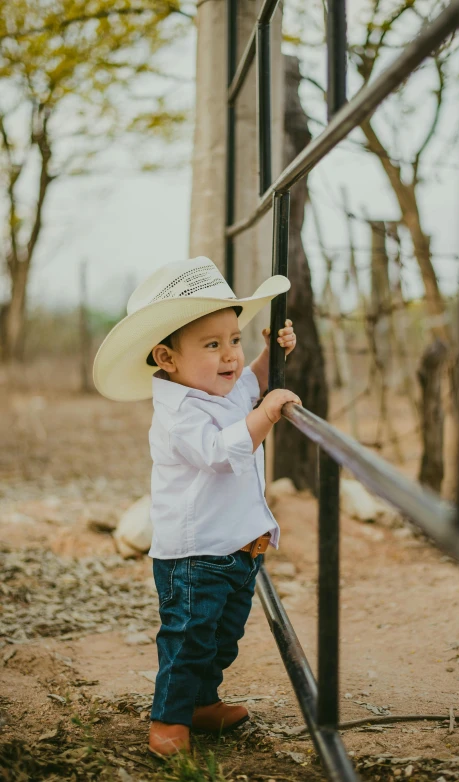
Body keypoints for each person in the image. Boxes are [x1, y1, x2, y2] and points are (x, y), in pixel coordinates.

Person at [93, 256, 301, 757]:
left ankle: (202, 704)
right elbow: (218, 452)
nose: (231, 355)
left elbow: (251, 380)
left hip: (236, 545)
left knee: (222, 637)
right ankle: (168, 719)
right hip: (194, 554)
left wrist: (271, 355)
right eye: (213, 345)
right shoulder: (178, 411)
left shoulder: (221, 385)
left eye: (234, 339)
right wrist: (267, 415)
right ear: (167, 359)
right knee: (188, 638)